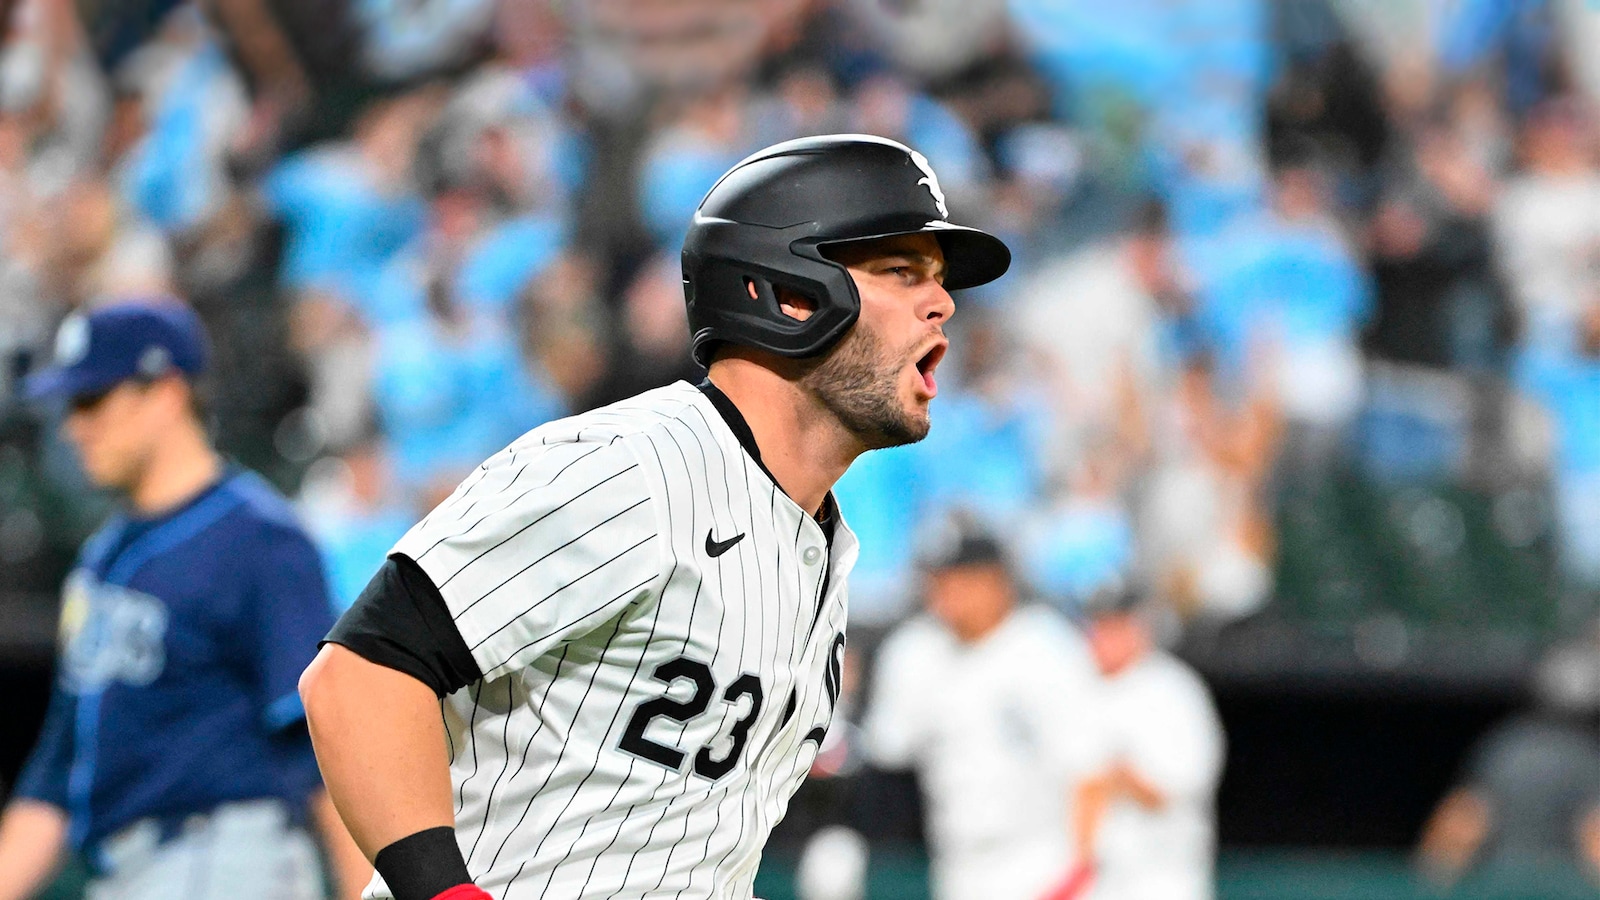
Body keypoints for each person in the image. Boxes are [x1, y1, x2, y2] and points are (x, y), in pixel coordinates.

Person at [296, 134, 1011, 900]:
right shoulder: (631, 466)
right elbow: (359, 677)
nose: (942, 303)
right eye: (903, 271)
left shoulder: (821, 546)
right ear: (791, 291)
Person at [0, 301, 370, 898]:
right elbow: (55, 781)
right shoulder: (102, 558)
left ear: (167, 394)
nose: (75, 425)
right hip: (125, 871)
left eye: (92, 400)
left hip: (225, 858)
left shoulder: (259, 540)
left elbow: (329, 746)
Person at [860, 516, 1106, 900]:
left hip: (1039, 857)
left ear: (998, 581)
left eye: (962, 579)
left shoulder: (1045, 646)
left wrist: (1079, 872)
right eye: (938, 581)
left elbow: (1090, 768)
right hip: (955, 861)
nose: (947, 594)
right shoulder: (913, 651)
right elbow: (887, 750)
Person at [1075, 593, 1225, 900]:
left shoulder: (1173, 689)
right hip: (1100, 877)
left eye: (1115, 627)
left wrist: (1118, 778)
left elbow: (1184, 784)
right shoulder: (1080, 688)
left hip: (1164, 875)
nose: (1104, 638)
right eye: (1099, 628)